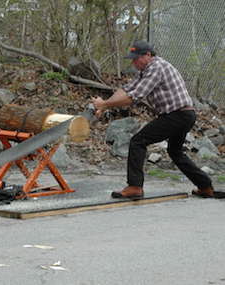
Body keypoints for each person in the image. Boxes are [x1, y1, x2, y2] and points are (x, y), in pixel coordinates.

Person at [92, 40, 214, 200]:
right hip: (182, 115)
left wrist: (105, 103)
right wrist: (105, 106)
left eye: (137, 58)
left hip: (178, 115)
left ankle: (135, 187)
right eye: (132, 59)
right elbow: (126, 89)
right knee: (175, 151)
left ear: (148, 55)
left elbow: (134, 97)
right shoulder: (145, 70)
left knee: (138, 141)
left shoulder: (156, 67)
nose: (134, 62)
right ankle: (205, 186)